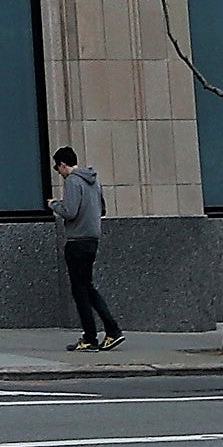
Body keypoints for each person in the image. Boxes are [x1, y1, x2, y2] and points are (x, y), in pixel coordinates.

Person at [51, 146, 123, 352]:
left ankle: (94, 336)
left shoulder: (72, 181)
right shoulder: (93, 180)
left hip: (77, 241)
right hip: (92, 239)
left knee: (80, 290)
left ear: (64, 164)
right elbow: (102, 208)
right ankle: (109, 331)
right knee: (87, 287)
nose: (59, 172)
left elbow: (70, 211)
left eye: (58, 168)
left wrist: (54, 205)